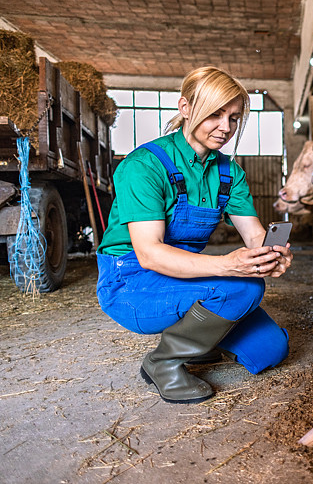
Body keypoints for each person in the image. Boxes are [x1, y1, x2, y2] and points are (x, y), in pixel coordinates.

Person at [96, 66, 292, 404]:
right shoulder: (144, 166)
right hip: (130, 281)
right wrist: (228, 265)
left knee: (271, 349)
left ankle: (198, 338)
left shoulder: (229, 173)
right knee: (245, 287)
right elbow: (149, 254)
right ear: (185, 108)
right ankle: (162, 363)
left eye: (233, 117)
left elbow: (254, 234)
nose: (226, 127)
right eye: (215, 114)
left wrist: (271, 254)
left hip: (185, 274)